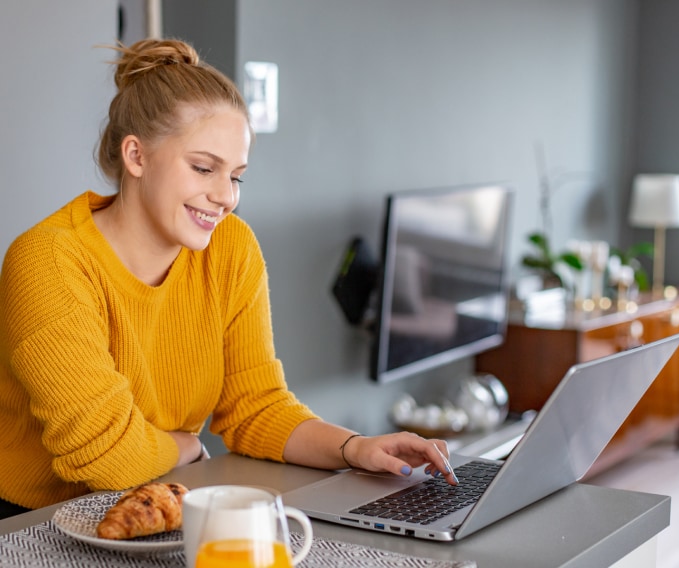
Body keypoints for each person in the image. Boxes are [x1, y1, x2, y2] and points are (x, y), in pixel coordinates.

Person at [0, 38, 457, 520]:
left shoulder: (230, 247)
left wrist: (355, 449)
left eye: (236, 176)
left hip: (162, 500)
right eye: (203, 168)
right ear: (135, 156)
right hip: (31, 522)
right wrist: (182, 447)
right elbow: (108, 457)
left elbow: (255, 406)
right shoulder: (49, 261)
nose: (225, 197)